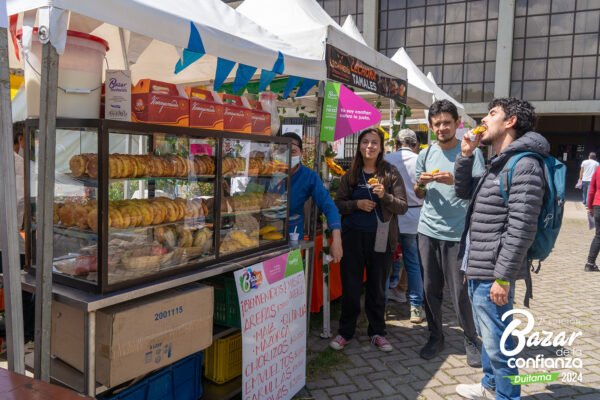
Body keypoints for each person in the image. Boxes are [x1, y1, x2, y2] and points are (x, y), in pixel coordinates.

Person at [453, 97, 546, 400]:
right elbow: (464, 191)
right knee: (489, 336)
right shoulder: (499, 162)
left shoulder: (525, 164)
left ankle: (507, 396)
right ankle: (489, 385)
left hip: (494, 272)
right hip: (479, 265)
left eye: (492, 113)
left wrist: (503, 278)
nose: (484, 118)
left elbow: (521, 229)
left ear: (510, 122)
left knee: (498, 344)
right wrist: (466, 155)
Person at [414, 99, 483, 366]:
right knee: (430, 288)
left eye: (446, 122)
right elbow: (419, 194)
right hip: (427, 230)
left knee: (460, 292)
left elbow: (477, 191)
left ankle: (470, 339)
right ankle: (435, 336)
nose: (441, 127)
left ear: (457, 123)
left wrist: (454, 179)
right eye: (437, 124)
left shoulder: (471, 153)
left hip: (457, 233)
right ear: (431, 127)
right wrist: (421, 184)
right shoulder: (425, 153)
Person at [330, 128, 407, 352]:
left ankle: (377, 332)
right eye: (365, 142)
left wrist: (385, 196)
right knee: (351, 288)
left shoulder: (390, 173)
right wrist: (357, 205)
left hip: (381, 239)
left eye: (374, 143)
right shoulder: (351, 174)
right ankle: (345, 332)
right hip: (352, 238)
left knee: (377, 289)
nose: (369, 147)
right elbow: (338, 204)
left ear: (381, 147)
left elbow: (402, 206)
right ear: (359, 146)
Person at [281, 132, 343, 263]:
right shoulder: (267, 172)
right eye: (282, 151)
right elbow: (249, 199)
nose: (287, 155)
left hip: (293, 236)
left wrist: (336, 239)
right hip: (263, 235)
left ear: (301, 153)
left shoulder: (309, 177)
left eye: (292, 151)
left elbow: (328, 205)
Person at [384, 129, 425, 323]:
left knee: (386, 260)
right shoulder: (420, 159)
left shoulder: (387, 159)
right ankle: (415, 307)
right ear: (415, 144)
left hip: (391, 214)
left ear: (396, 144)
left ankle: (382, 304)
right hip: (414, 215)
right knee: (413, 262)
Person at [585, 165, 600, 272]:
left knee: (598, 236)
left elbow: (591, 189)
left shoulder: (599, 169)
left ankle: (590, 263)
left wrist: (590, 206)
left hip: (598, 205)